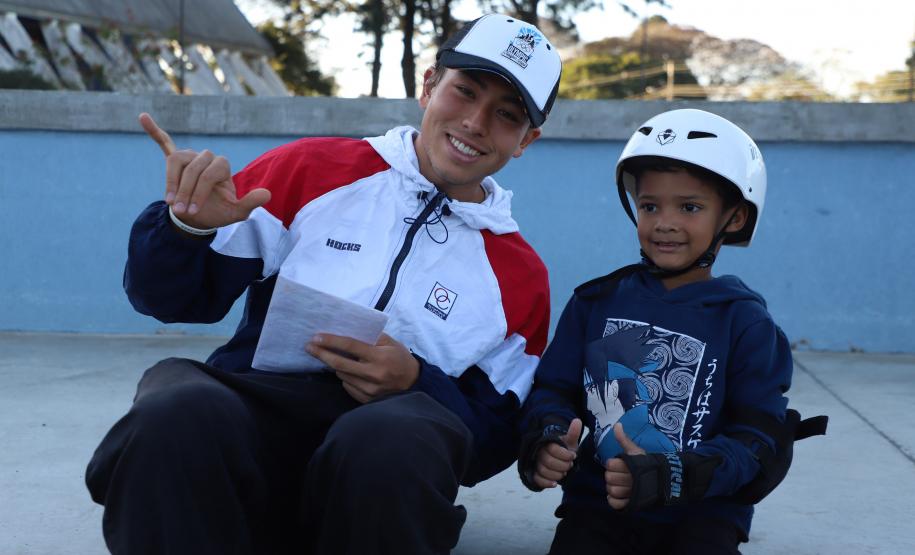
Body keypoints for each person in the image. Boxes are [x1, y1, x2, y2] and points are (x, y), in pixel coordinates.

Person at [85, 14, 561, 555]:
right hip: (257, 412)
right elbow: (167, 299)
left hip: (387, 454)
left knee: (392, 440)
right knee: (176, 407)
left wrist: (417, 382)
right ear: (429, 86)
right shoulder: (310, 168)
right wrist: (186, 228)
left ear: (526, 140)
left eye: (506, 114)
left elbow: (492, 436)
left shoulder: (521, 276)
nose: (475, 122)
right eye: (465, 91)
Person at [517, 108, 825, 554]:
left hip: (701, 514)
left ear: (734, 218)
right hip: (599, 504)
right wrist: (547, 436)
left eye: (690, 207)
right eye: (650, 206)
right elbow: (554, 389)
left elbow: (756, 439)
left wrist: (676, 475)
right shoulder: (596, 302)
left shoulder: (745, 323)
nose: (665, 222)